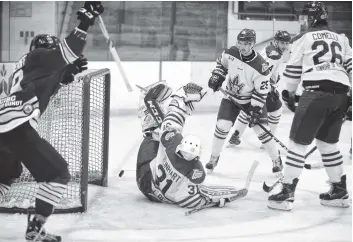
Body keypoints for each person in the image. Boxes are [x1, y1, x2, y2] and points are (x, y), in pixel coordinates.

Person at [0, 2, 104, 241]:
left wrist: (63, 76)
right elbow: (69, 50)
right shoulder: (40, 56)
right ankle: (36, 227)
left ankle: (37, 228)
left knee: (5, 176)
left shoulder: (30, 65)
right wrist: (86, 21)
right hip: (16, 125)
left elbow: (44, 83)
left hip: (6, 123)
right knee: (58, 174)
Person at [268, 2, 352, 211]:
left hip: (315, 92)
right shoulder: (342, 39)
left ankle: (286, 191)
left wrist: (288, 94)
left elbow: (294, 70)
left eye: (305, 18)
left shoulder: (303, 39)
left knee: (297, 143)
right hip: (341, 95)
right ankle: (339, 191)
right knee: (327, 144)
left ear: (314, 18)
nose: (302, 21)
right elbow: (351, 67)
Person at [136, 82, 248, 209]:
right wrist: (216, 202)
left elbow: (170, 123)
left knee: (155, 131)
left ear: (181, 147)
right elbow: (191, 201)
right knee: (162, 131)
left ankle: (146, 109)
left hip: (145, 175)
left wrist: (180, 98)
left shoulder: (174, 144)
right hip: (151, 191)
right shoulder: (196, 170)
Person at [206, 28, 283, 176]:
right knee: (222, 126)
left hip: (250, 100)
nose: (242, 46)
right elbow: (222, 64)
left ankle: (276, 159)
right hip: (231, 97)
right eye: (240, 42)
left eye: (246, 43)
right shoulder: (231, 52)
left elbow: (261, 91)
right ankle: (214, 157)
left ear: (253, 44)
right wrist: (217, 76)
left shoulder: (261, 66)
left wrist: (255, 110)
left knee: (262, 131)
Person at [227, 30, 291, 149]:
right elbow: (264, 73)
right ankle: (268, 139)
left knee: (248, 110)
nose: (285, 46)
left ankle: (235, 135)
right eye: (282, 43)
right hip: (260, 88)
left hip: (252, 84)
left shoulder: (270, 49)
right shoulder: (274, 55)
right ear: (276, 42)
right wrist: (272, 87)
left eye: (287, 43)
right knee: (276, 110)